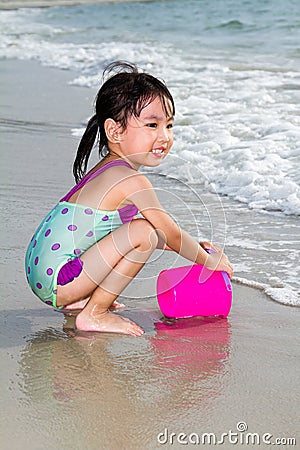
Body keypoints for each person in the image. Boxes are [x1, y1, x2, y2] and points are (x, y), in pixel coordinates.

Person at [25, 61, 233, 337]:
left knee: (139, 228)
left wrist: (192, 246)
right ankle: (95, 313)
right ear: (115, 131)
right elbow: (165, 231)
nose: (165, 137)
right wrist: (207, 261)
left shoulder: (106, 169)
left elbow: (114, 233)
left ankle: (82, 301)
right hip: (59, 279)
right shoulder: (130, 180)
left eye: (169, 126)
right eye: (152, 124)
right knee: (144, 229)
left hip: (47, 273)